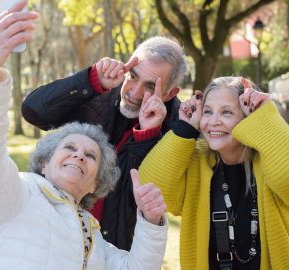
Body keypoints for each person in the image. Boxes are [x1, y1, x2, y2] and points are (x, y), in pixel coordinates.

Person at [0, 1, 169, 269]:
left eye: (91, 156)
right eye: (69, 147)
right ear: (44, 164)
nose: (79, 155)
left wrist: (151, 222)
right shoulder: (17, 195)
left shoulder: (92, 238)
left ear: (96, 184)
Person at [21, 15, 187, 251]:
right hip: (54, 234)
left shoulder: (178, 128)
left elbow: (152, 199)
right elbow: (32, 112)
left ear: (170, 94)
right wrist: (89, 79)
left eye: (151, 87)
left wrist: (146, 136)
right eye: (133, 76)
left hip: (112, 251)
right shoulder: (98, 90)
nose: (134, 93)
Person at [138, 77, 289, 270]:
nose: (214, 122)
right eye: (207, 111)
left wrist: (265, 116)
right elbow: (150, 187)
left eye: (226, 112)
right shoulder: (196, 160)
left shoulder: (273, 159)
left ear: (249, 117)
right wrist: (185, 129)